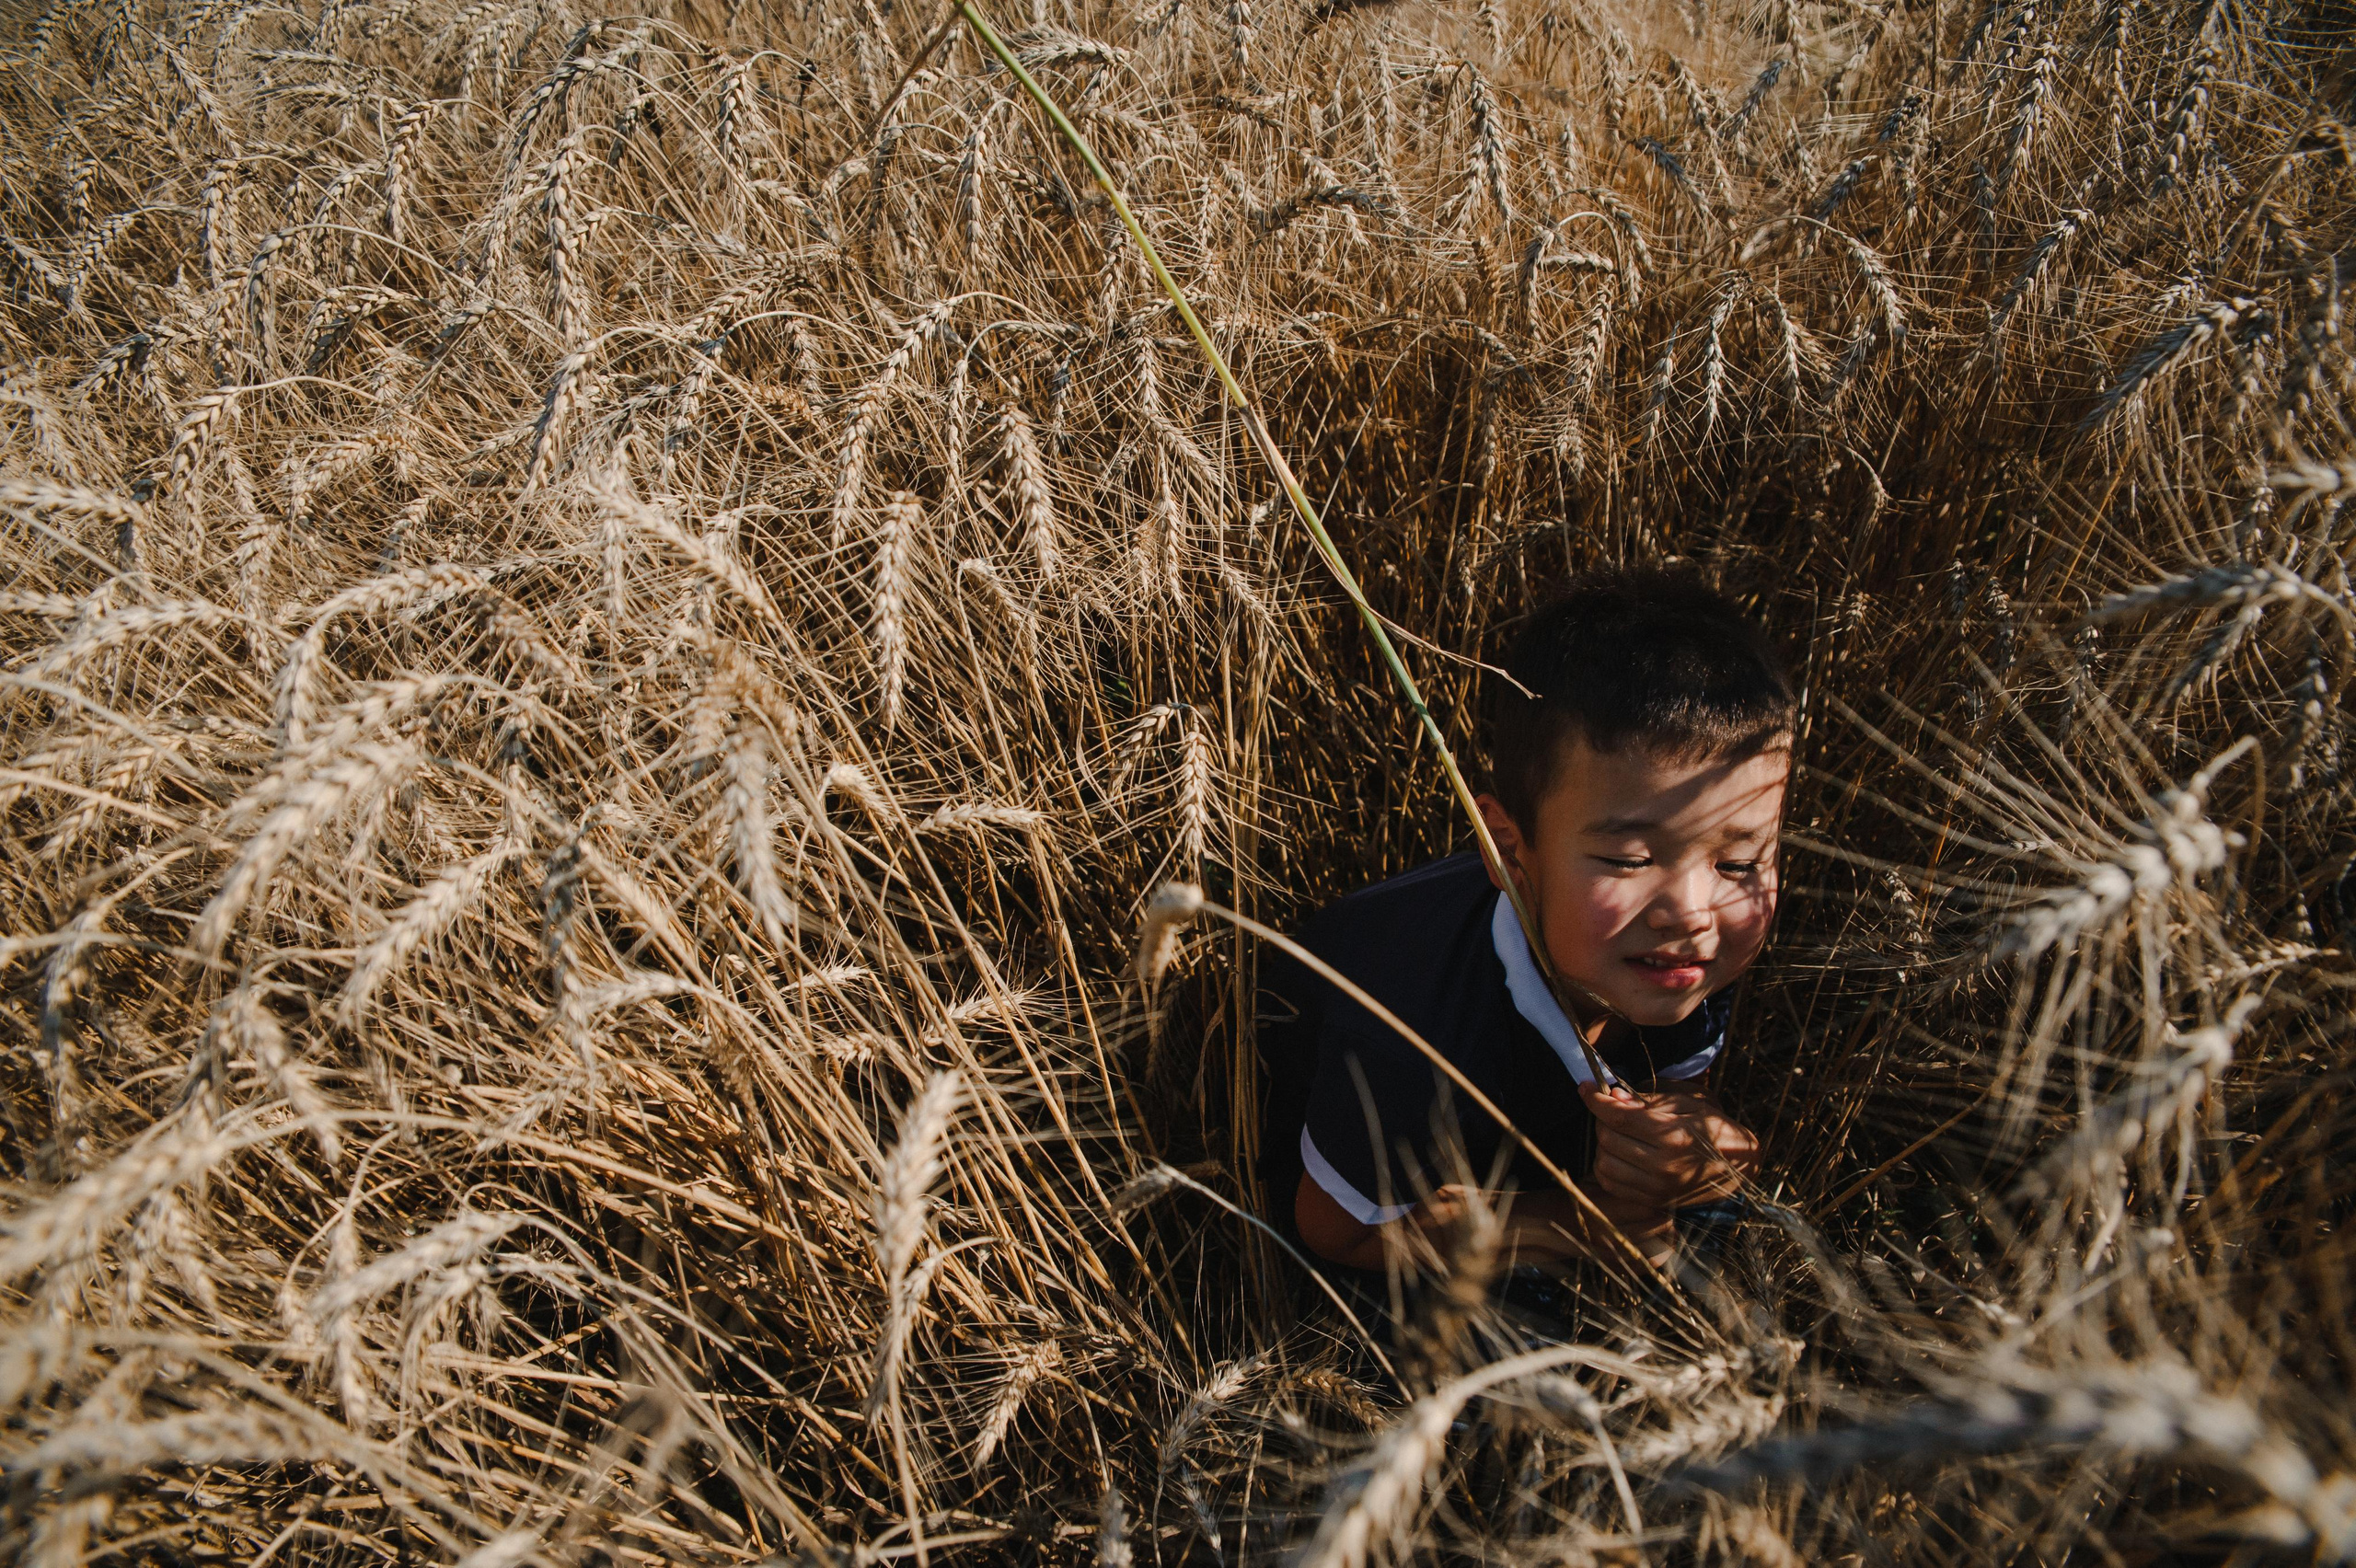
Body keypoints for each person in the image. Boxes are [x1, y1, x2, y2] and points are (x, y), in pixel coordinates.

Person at [1256, 567, 1790, 1285]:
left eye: (1740, 862)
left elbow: (1684, 1091)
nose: (1692, 912)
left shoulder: (1680, 955)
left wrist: (1712, 1154)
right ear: (1510, 851)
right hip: (1381, 1212)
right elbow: (1333, 1229)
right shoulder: (1411, 1035)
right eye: (1629, 860)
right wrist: (1585, 1227)